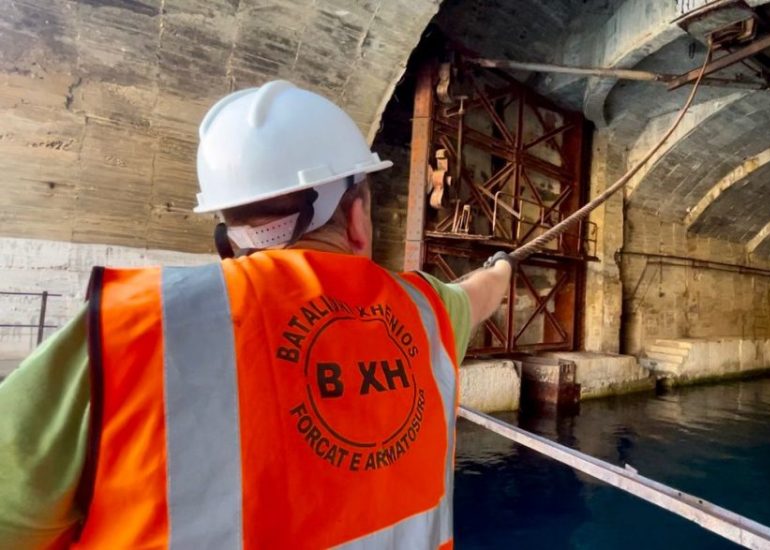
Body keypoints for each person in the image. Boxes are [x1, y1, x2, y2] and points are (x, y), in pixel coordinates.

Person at [0, 80, 515, 548]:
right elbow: (481, 292)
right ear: (357, 217)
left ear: (227, 234)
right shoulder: (425, 311)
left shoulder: (134, 328)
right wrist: (502, 265)